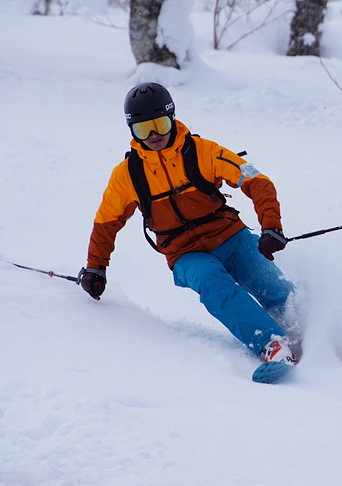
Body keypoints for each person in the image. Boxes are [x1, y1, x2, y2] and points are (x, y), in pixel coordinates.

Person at [79, 82, 298, 366]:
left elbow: (257, 181)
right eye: (143, 129)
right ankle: (272, 345)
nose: (154, 134)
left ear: (172, 117)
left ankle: (321, 338)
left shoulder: (203, 151)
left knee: (275, 289)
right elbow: (106, 223)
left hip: (231, 236)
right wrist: (96, 267)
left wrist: (272, 226)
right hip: (185, 254)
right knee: (213, 283)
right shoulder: (128, 175)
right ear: (132, 131)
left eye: (159, 123)